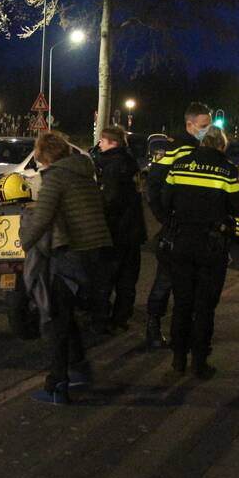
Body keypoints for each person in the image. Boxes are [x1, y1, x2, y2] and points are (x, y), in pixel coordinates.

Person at [19, 132, 111, 405]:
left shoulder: (56, 177)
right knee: (66, 312)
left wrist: (23, 243)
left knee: (55, 319)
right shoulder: (84, 173)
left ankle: (57, 385)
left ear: (45, 156)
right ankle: (80, 368)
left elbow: (42, 217)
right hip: (96, 252)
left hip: (72, 255)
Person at [162, 127, 239, 378]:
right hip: (211, 245)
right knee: (205, 306)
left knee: (182, 303)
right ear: (222, 146)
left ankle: (178, 358)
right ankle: (199, 362)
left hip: (182, 242)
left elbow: (166, 200)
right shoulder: (227, 170)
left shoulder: (179, 166)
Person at [144, 102, 212, 349]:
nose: (207, 130)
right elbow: (153, 186)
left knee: (190, 285)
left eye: (209, 125)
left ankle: (183, 331)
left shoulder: (205, 149)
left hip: (197, 228)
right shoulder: (174, 151)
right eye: (203, 126)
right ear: (189, 125)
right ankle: (153, 326)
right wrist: (164, 217)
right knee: (165, 280)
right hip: (176, 228)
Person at [93, 126, 147, 333]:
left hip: (115, 231)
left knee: (105, 277)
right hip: (133, 231)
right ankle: (121, 317)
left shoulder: (112, 165)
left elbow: (111, 199)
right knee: (127, 278)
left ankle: (101, 321)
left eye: (103, 141)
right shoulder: (130, 162)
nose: (100, 145)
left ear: (113, 143)